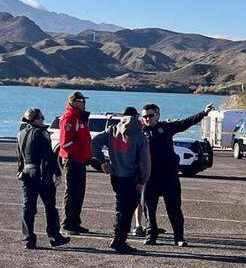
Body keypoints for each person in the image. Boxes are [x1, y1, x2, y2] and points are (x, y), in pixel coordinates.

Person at [140, 102, 214, 246]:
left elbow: (185, 123)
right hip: (150, 176)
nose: (148, 119)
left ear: (157, 114)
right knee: (149, 209)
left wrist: (203, 113)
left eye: (150, 115)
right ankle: (151, 236)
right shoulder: (139, 132)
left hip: (169, 176)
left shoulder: (166, 128)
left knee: (174, 208)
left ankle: (179, 238)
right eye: (145, 117)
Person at [92, 107, 150, 253]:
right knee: (127, 210)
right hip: (132, 177)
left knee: (120, 207)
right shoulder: (139, 134)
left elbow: (94, 143)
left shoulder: (112, 130)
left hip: (116, 175)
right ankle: (119, 241)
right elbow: (145, 161)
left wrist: (102, 161)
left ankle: (118, 238)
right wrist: (143, 180)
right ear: (136, 116)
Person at [16, 107, 70, 249]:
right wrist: (57, 172)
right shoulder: (41, 133)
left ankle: (28, 239)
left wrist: (20, 171)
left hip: (26, 173)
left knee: (28, 207)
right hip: (41, 174)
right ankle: (54, 236)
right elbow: (49, 155)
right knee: (50, 207)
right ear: (36, 119)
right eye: (42, 117)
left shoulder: (21, 133)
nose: (43, 119)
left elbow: (19, 156)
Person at [58, 91, 92, 235]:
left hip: (81, 160)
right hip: (73, 160)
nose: (85, 103)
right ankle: (67, 223)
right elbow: (65, 143)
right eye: (82, 101)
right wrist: (80, 153)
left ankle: (75, 221)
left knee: (79, 193)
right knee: (72, 192)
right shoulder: (70, 118)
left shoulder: (80, 118)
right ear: (75, 102)